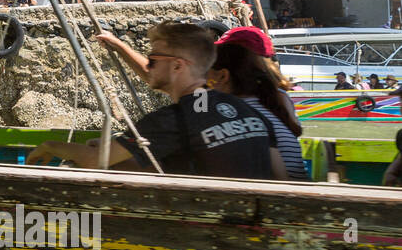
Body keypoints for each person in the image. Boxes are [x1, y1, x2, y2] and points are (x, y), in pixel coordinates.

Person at [31, 21, 281, 179]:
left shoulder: (169, 121)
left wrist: (49, 146)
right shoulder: (246, 111)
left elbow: (93, 162)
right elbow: (281, 176)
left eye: (152, 61)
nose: (148, 67)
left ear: (177, 66)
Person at [208, 41, 307, 180]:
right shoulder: (271, 102)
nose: (206, 86)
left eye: (207, 79)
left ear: (223, 76)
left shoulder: (237, 115)